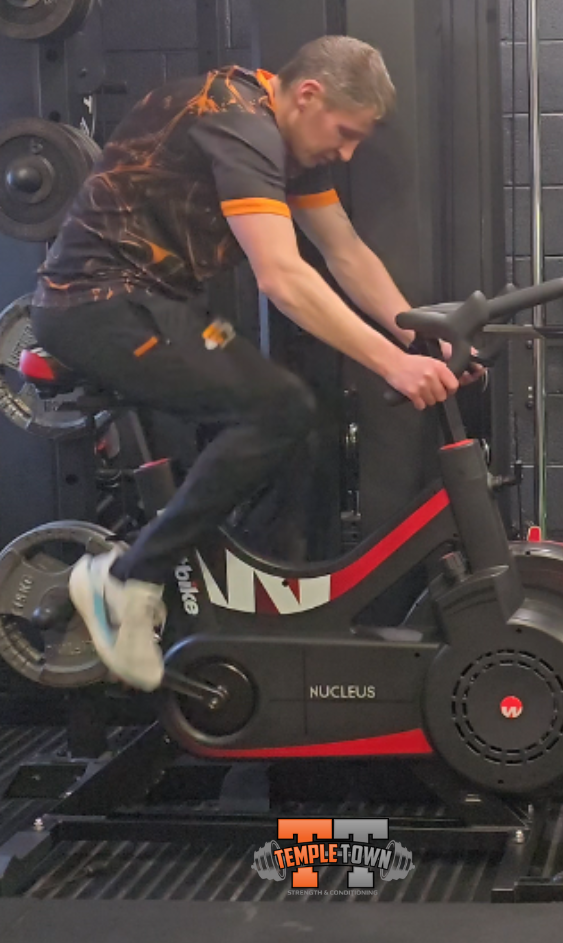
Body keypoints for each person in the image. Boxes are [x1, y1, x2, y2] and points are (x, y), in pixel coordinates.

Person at [30, 35, 464, 692]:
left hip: (158, 304)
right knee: (277, 408)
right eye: (345, 134)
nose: (347, 153)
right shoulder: (238, 121)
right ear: (309, 95)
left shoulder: (286, 139)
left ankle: (240, 614)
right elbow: (283, 278)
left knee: (300, 422)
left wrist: (418, 337)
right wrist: (390, 364)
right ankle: (124, 580)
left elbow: (344, 251)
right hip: (97, 303)